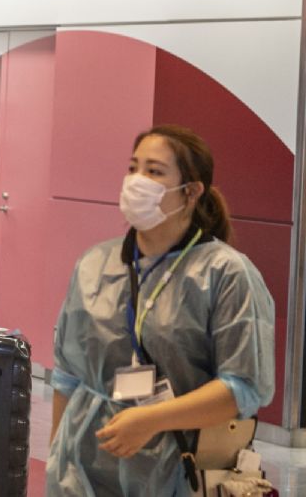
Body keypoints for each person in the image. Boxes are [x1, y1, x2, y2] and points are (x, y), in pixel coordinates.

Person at [46, 125, 275, 496]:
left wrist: (151, 419)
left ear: (191, 192)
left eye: (154, 171)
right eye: (133, 167)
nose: (137, 180)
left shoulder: (226, 274)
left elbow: (242, 388)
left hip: (179, 470)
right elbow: (67, 376)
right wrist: (59, 461)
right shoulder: (95, 265)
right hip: (86, 468)